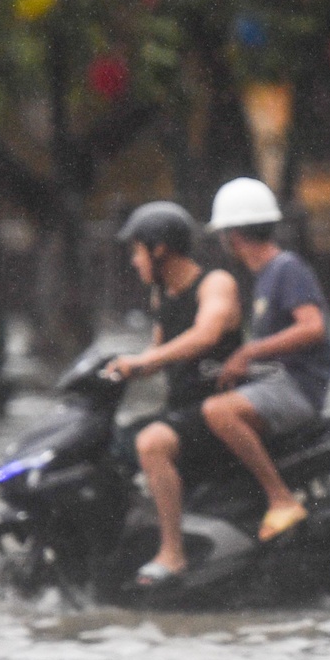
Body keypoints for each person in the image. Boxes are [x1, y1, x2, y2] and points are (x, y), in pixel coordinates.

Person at [103, 201, 243, 585]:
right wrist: (114, 371)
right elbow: (159, 354)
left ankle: (173, 553)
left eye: (136, 250)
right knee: (111, 445)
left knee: (151, 443)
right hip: (182, 409)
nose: (134, 261)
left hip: (217, 409)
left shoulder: (215, 284)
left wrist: (143, 363)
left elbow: (205, 335)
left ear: (158, 248)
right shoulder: (162, 296)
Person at [202, 177, 330, 542]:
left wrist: (247, 352)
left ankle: (280, 499)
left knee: (220, 411)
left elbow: (313, 327)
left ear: (234, 235)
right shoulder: (265, 277)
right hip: (278, 382)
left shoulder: (285, 269)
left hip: (299, 387)